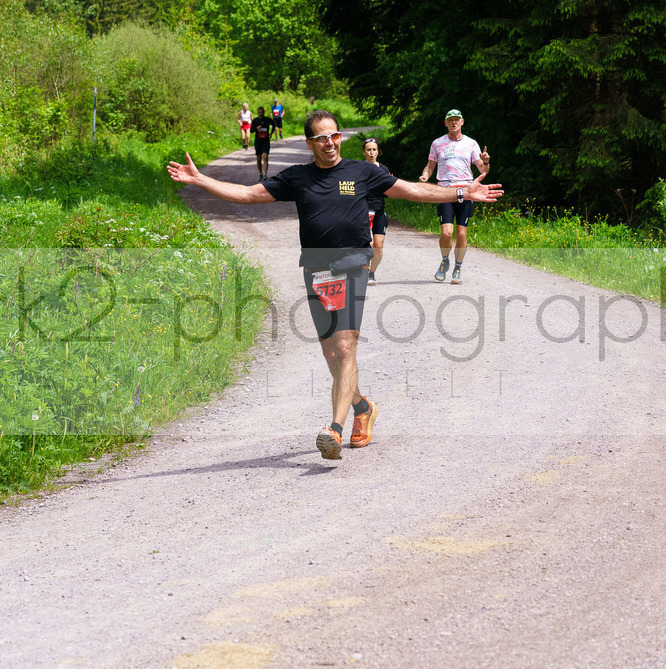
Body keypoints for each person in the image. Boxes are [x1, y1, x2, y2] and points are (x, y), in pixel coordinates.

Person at [168, 110, 502, 461]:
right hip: (315, 269)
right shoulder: (298, 178)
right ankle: (362, 407)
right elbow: (248, 195)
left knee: (344, 348)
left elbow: (412, 190)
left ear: (340, 137)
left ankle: (334, 430)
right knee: (331, 353)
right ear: (311, 143)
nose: (330, 143)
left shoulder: (363, 171)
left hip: (353, 263)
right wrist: (203, 181)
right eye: (322, 138)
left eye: (335, 136)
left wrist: (462, 192)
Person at [419, 108, 491, 284]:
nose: (453, 122)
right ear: (445, 123)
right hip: (445, 192)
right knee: (446, 232)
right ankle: (445, 261)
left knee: (461, 234)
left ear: (462, 122)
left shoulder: (471, 144)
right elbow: (430, 166)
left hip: (466, 192)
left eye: (456, 119)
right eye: (450, 119)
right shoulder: (437, 143)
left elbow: (483, 170)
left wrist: (486, 161)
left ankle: (458, 268)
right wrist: (424, 176)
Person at [363, 137, 393, 285]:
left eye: (374, 149)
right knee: (363, 244)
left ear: (378, 152)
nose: (371, 152)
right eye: (368, 149)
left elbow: (389, 192)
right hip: (362, 210)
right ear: (364, 152)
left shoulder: (384, 169)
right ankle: (361, 270)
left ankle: (371, 273)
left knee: (378, 245)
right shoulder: (359, 168)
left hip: (379, 210)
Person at [250, 106, 276, 181]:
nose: (260, 114)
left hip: (266, 141)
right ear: (257, 113)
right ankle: (260, 173)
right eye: (259, 112)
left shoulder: (267, 119)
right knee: (258, 158)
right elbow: (251, 130)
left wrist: (271, 133)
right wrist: (256, 128)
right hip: (258, 141)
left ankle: (265, 174)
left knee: (265, 156)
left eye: (261, 112)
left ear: (264, 112)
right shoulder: (255, 120)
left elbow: (274, 124)